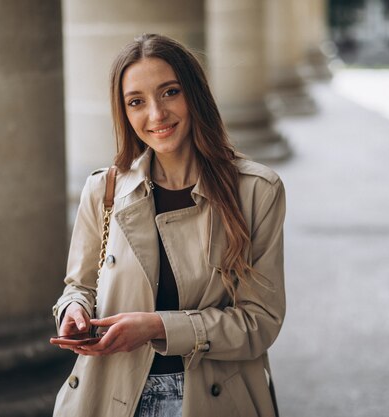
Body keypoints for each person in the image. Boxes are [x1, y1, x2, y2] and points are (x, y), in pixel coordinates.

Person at [51, 33, 286, 417]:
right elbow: (79, 285)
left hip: (212, 397)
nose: (156, 115)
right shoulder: (104, 190)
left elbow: (259, 323)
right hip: (108, 394)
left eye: (170, 92)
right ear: (124, 112)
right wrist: (73, 312)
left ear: (194, 95)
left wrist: (157, 326)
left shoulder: (256, 191)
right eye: (137, 102)